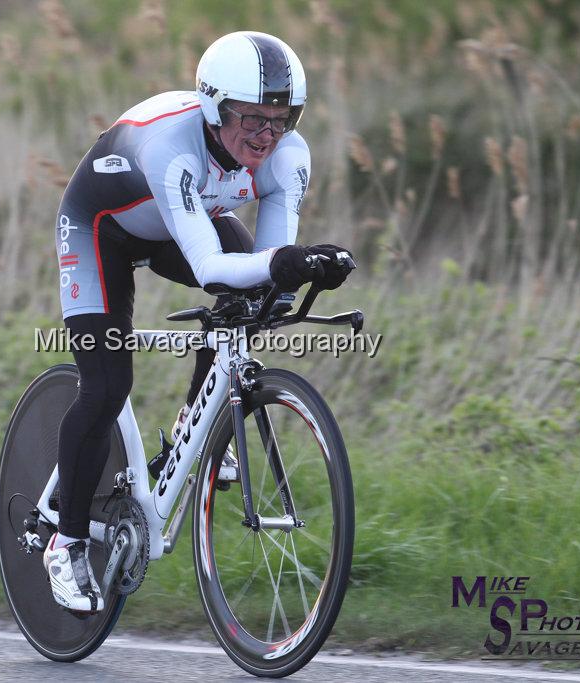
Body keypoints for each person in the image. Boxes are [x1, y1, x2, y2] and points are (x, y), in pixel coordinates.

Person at [45, 30, 353, 614]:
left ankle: (200, 425)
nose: (266, 136)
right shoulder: (173, 148)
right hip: (99, 228)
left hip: (178, 222)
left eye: (281, 119)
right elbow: (212, 268)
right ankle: (68, 540)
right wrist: (285, 263)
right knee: (108, 386)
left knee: (258, 300)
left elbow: (271, 266)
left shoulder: (288, 155)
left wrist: (301, 269)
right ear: (215, 108)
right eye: (251, 120)